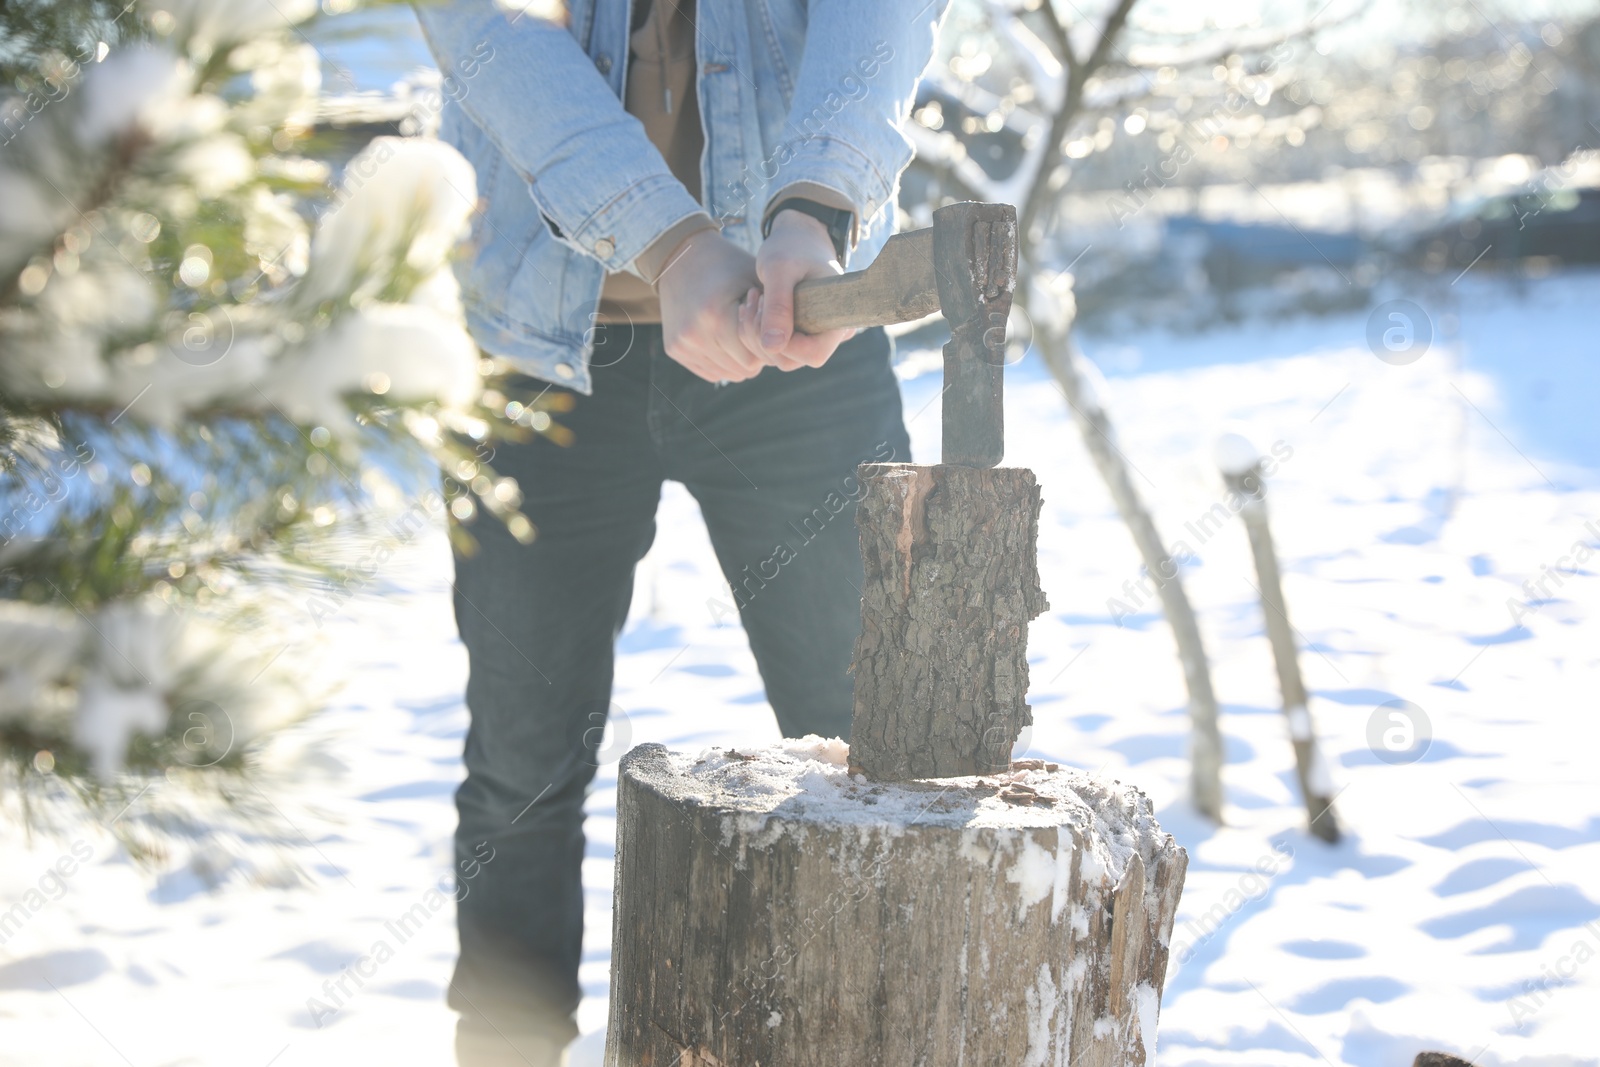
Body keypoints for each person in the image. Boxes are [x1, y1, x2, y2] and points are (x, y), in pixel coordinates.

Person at [413, 1, 946, 1062]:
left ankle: (897, 1042)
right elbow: (493, 32)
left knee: (883, 745)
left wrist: (814, 205)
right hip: (538, 352)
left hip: (799, 328)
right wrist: (669, 239)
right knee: (521, 765)